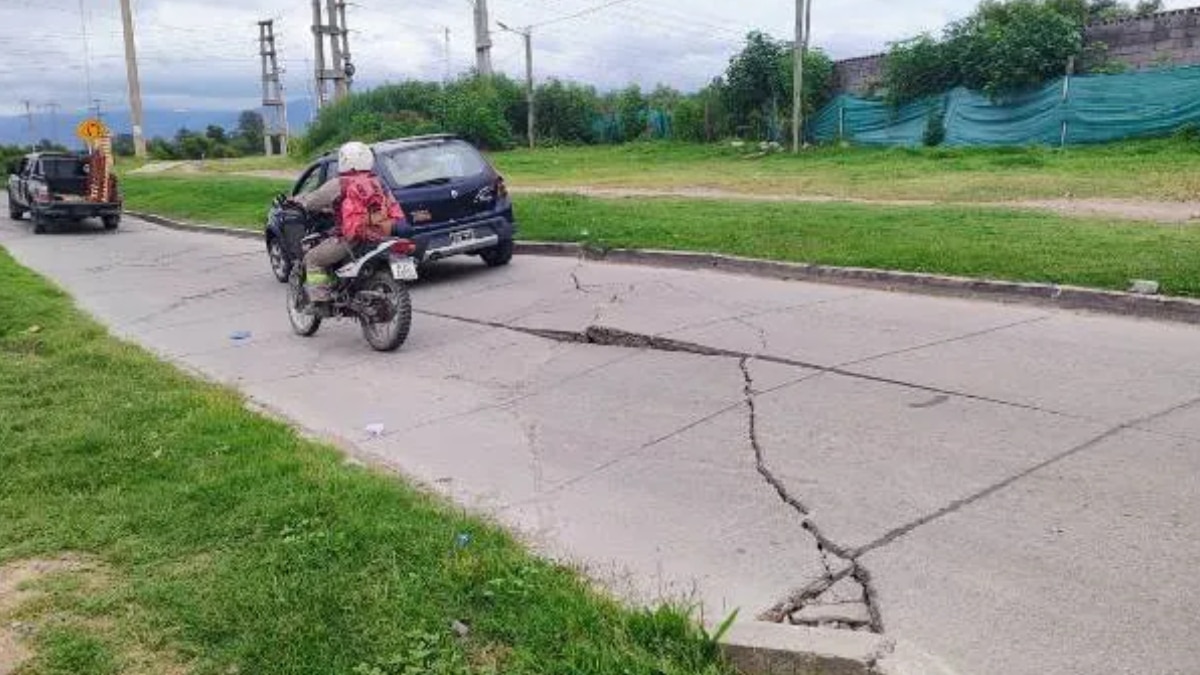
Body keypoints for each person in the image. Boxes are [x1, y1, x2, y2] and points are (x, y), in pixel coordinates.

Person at [292, 141, 405, 303]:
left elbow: (312, 202)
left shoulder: (340, 183)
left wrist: (299, 201)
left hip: (352, 239)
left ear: (345, 160)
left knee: (312, 259)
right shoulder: (377, 182)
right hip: (381, 235)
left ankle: (321, 299)